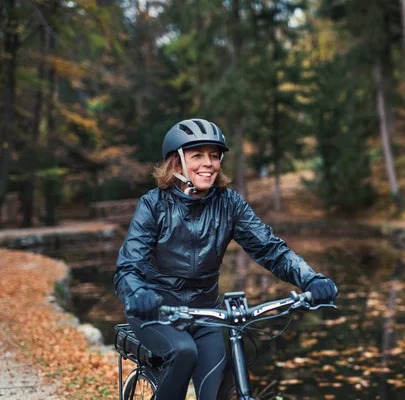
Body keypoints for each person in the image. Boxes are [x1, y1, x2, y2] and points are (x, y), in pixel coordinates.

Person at [114, 118, 338, 400]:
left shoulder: (229, 203)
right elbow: (128, 268)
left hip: (207, 313)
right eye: (197, 155)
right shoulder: (153, 205)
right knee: (183, 352)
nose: (208, 163)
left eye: (214, 155)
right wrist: (139, 294)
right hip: (156, 312)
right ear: (176, 162)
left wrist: (311, 279)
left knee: (218, 389)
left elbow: (270, 249)